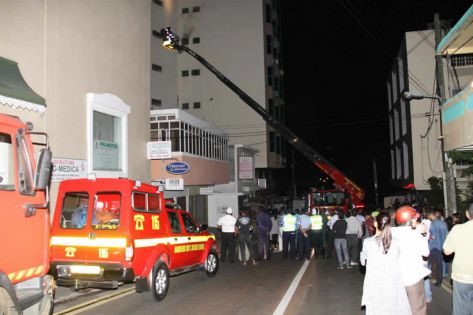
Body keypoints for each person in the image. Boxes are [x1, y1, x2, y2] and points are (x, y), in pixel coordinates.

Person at [361, 212, 411, 315]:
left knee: (377, 309)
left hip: (375, 282)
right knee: (394, 308)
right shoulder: (396, 241)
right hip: (393, 281)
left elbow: (363, 262)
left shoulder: (368, 242)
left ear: (375, 224)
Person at [392, 206, 430, 315]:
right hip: (412, 278)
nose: (416, 221)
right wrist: (423, 235)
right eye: (414, 219)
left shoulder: (389, 232)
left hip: (394, 278)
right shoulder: (416, 234)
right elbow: (426, 253)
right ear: (409, 221)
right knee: (418, 308)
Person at [443, 203, 473, 315]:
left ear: (467, 214)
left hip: (462, 276)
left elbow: (447, 251)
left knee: (461, 309)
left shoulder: (458, 229)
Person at [428, 209, 448, 287]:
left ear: (432, 215)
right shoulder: (443, 223)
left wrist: (429, 237)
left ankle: (426, 277)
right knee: (440, 264)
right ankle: (439, 281)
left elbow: (433, 236)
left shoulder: (432, 224)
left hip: (434, 246)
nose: (428, 217)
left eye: (429, 215)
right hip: (441, 246)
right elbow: (446, 235)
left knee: (427, 263)